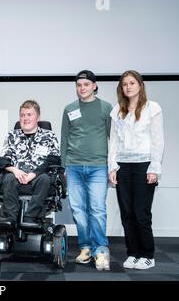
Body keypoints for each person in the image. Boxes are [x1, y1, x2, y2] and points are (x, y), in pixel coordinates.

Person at [108, 70, 164, 270]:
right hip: (123, 166)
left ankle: (147, 254)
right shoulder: (117, 111)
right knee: (127, 213)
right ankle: (133, 253)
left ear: (140, 85)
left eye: (132, 83)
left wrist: (154, 168)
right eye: (125, 84)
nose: (128, 87)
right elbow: (113, 142)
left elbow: (158, 141)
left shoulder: (152, 108)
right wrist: (112, 167)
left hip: (144, 166)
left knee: (141, 213)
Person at [60, 70, 113, 271]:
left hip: (98, 167)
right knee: (78, 210)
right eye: (79, 85)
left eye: (86, 84)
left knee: (97, 210)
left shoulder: (106, 108)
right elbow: (64, 137)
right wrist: (64, 165)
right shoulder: (69, 109)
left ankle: (101, 250)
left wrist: (112, 165)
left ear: (94, 86)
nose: (82, 88)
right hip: (73, 167)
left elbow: (113, 139)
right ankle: (85, 248)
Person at [0, 100, 60, 227]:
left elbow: (54, 160)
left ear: (38, 117)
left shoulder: (49, 136)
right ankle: (11, 218)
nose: (25, 118)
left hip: (38, 178)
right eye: (22, 115)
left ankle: (30, 217)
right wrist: (15, 170)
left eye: (29, 115)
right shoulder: (12, 135)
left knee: (45, 179)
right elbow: (3, 160)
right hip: (16, 177)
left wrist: (34, 173)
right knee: (8, 178)